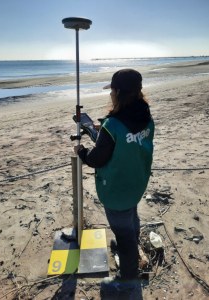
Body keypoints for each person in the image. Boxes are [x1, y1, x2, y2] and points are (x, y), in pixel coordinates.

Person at [74, 68, 154, 291]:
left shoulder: (114, 125)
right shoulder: (144, 116)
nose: (111, 95)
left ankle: (127, 278)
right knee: (131, 217)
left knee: (123, 231)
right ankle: (127, 243)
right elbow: (127, 137)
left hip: (118, 190)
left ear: (118, 92)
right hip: (137, 181)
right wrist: (104, 130)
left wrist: (81, 152)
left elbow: (98, 159)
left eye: (113, 91)